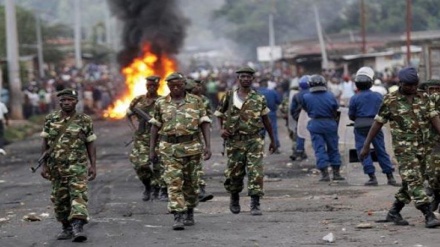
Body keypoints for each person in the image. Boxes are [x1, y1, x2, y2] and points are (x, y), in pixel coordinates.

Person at [359, 67, 440, 228]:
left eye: (415, 85)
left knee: (411, 181)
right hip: (404, 149)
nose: (412, 88)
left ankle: (394, 212)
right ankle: (428, 214)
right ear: (401, 83)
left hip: (424, 147)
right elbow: (378, 122)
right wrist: (366, 144)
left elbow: (434, 119)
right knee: (414, 179)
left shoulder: (425, 98)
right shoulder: (390, 100)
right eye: (409, 85)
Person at [149, 72, 212, 230]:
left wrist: (208, 146)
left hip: (192, 147)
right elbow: (155, 126)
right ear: (168, 86)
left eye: (179, 85)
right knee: (173, 182)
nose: (175, 88)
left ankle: (189, 209)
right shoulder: (161, 103)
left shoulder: (196, 101)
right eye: (172, 85)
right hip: (169, 148)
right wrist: (152, 150)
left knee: (191, 183)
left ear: (184, 85)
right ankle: (178, 214)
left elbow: (204, 123)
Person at [214, 67, 276, 216]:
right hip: (234, 141)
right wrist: (221, 129)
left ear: (252, 79)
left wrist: (273, 140)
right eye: (243, 77)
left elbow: (266, 120)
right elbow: (218, 114)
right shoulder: (229, 96)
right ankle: (234, 197)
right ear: (238, 79)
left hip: (254, 139)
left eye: (249, 77)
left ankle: (255, 203)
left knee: (256, 172)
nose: (246, 79)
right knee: (235, 173)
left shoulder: (259, 98)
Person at [40, 88, 97, 242]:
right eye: (63, 100)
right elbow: (45, 143)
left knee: (78, 196)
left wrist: (93, 165)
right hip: (56, 168)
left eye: (69, 100)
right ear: (59, 102)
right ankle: (66, 227)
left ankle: (78, 227)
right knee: (60, 201)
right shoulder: (51, 119)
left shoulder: (84, 120)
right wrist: (44, 166)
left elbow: (90, 143)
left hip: (77, 166)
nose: (66, 103)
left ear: (76, 102)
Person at [348, 67, 397, 186]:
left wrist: (358, 119)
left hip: (360, 126)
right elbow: (384, 111)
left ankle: (372, 177)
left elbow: (351, 115)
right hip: (376, 125)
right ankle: (390, 177)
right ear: (371, 82)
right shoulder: (378, 95)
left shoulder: (354, 98)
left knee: (363, 151)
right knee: (381, 150)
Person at [126, 75, 167, 201]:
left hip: (159, 137)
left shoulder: (164, 101)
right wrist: (133, 129)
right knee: (140, 165)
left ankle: (160, 189)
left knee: (159, 165)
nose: (151, 87)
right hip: (142, 138)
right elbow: (128, 115)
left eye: (154, 85)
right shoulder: (138, 100)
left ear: (158, 86)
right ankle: (148, 185)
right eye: (149, 85)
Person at [302, 75, 345, 182]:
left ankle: (325, 174)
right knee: (333, 148)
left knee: (319, 149)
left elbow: (306, 109)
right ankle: (336, 174)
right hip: (330, 123)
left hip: (315, 124)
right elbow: (336, 110)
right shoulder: (330, 95)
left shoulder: (306, 97)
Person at [188, 79, 215, 202]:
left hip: (196, 136)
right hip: (175, 139)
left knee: (196, 164)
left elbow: (207, 117)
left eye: (199, 85)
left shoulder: (203, 100)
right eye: (195, 85)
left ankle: (200, 188)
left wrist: (207, 140)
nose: (197, 88)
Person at [419, 80, 440, 212]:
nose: (434, 93)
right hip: (429, 143)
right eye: (431, 89)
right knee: (431, 173)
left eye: (437, 89)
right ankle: (436, 196)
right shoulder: (423, 103)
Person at [257, 78, 282, 153]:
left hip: (259, 114)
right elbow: (278, 101)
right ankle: (275, 147)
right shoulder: (272, 92)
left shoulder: (256, 93)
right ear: (266, 84)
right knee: (273, 130)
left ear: (260, 84)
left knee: (260, 131)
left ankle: (259, 148)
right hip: (271, 113)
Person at [289, 75, 310, 161]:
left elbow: (292, 109)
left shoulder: (296, 95)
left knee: (300, 135)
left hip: (301, 118)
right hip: (313, 117)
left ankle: (299, 151)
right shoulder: (313, 94)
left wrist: (296, 118)